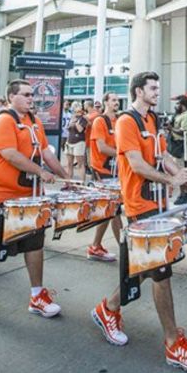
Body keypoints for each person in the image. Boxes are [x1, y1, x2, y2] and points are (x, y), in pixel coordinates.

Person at [90, 71, 187, 372]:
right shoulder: (126, 121)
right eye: (153, 88)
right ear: (138, 90)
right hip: (139, 205)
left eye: (158, 87)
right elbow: (137, 164)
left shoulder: (153, 120)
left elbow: (162, 155)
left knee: (144, 268)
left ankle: (108, 308)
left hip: (158, 205)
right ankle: (172, 344)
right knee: (161, 272)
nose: (158, 91)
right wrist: (171, 178)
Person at [0, 79, 69, 318]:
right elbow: (9, 154)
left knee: (35, 244)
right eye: (26, 95)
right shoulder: (4, 120)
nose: (32, 98)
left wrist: (65, 176)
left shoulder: (34, 122)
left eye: (32, 95)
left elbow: (45, 153)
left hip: (30, 195)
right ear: (12, 97)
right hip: (4, 195)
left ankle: (37, 295)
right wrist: (40, 171)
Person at [84, 92, 124, 262]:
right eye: (113, 100)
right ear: (106, 102)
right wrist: (125, 155)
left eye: (117, 100)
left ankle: (95, 246)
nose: (117, 102)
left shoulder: (120, 120)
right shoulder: (100, 121)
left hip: (116, 170)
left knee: (110, 210)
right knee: (114, 210)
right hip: (102, 170)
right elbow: (101, 147)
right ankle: (126, 252)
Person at [63, 104, 88, 181]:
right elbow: (68, 128)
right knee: (69, 164)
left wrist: (76, 122)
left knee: (80, 164)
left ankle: (82, 182)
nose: (77, 112)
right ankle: (69, 181)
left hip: (79, 142)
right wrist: (72, 121)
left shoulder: (83, 119)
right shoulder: (72, 118)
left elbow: (80, 129)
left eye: (79, 111)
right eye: (75, 110)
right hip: (69, 141)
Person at [172, 96, 187, 168]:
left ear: (182, 105)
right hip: (178, 145)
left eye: (177, 104)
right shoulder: (180, 114)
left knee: (180, 168)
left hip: (184, 146)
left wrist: (171, 129)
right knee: (176, 166)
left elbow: (183, 132)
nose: (176, 106)